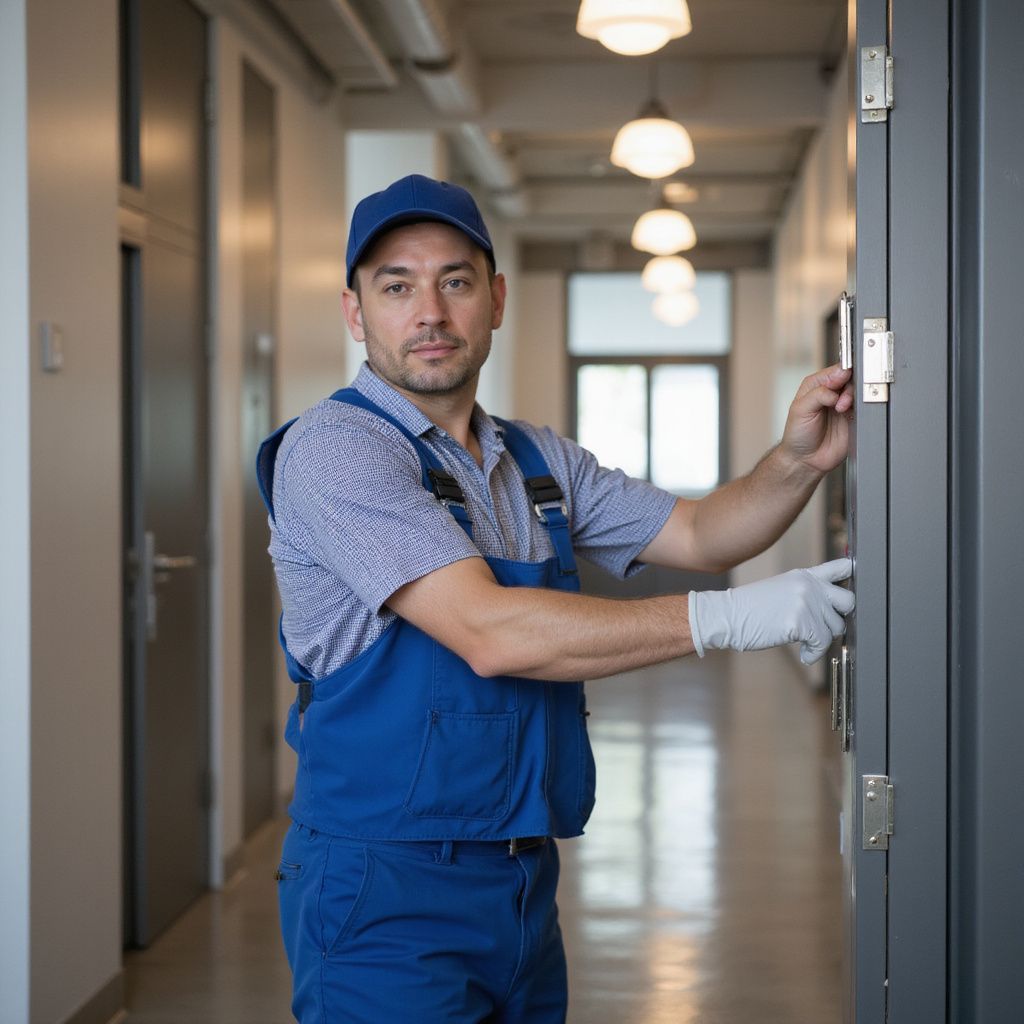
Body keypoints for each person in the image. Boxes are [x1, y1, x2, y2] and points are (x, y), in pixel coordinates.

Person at [256, 173, 855, 1023]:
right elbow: (490, 632)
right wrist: (722, 617)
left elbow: (699, 533)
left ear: (496, 300)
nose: (428, 311)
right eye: (396, 286)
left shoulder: (535, 462)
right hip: (384, 890)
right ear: (356, 312)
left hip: (521, 880)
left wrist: (799, 460)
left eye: (454, 282)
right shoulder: (336, 451)